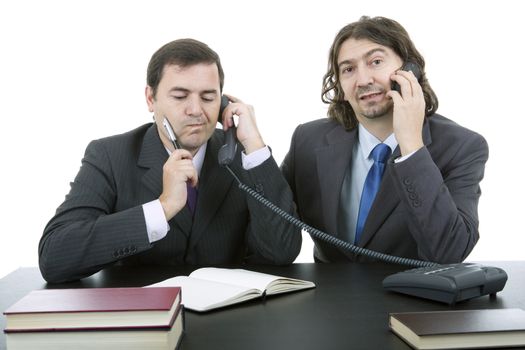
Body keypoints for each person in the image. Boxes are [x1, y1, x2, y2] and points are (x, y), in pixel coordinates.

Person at [39, 39, 301, 283]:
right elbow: (55, 255)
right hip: (141, 319)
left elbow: (280, 253)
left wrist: (254, 146)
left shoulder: (243, 156)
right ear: (151, 99)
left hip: (228, 319)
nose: (196, 110)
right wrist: (163, 208)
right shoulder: (109, 155)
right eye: (180, 96)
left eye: (208, 97)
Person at [281, 16, 488, 263]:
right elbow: (274, 227)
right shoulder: (307, 140)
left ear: (409, 70)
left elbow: (450, 251)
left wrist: (411, 146)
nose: (363, 80)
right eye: (348, 69)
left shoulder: (462, 147)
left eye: (376, 62)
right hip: (328, 296)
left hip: (413, 299)